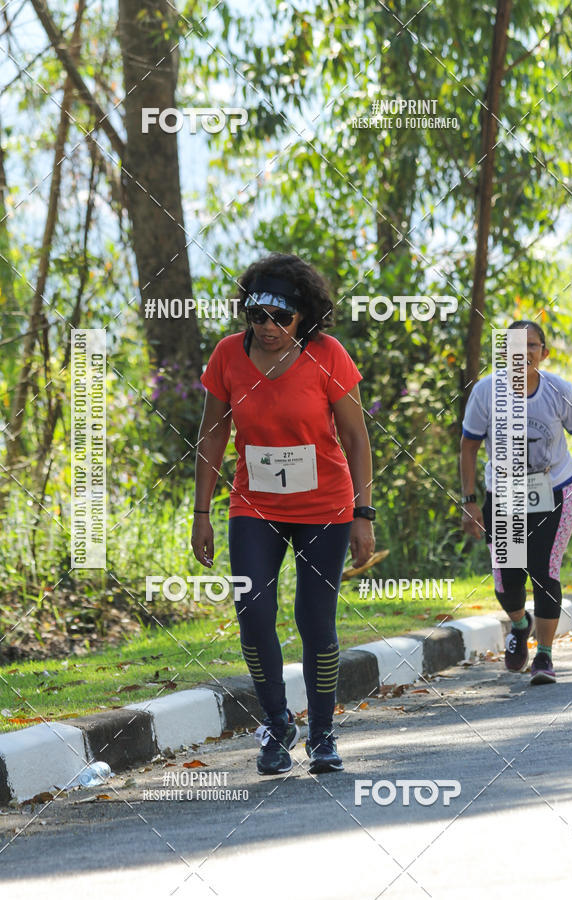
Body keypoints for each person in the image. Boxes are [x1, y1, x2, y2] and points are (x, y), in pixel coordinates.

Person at [191, 253, 375, 775]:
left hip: (325, 507)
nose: (267, 328)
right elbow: (212, 436)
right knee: (253, 616)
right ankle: (276, 726)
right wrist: (201, 512)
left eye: (281, 318)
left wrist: (364, 512)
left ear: (303, 315)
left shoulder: (327, 354)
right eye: (256, 316)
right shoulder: (228, 356)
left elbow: (357, 438)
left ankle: (322, 733)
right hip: (255, 505)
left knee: (315, 621)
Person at [460, 320, 572, 684]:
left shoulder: (558, 390)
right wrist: (470, 501)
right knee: (506, 582)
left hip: (556, 489)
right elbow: (470, 446)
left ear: (544, 353)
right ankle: (520, 626)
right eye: (514, 349)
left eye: (531, 347)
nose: (523, 356)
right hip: (504, 493)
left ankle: (545, 656)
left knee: (544, 571)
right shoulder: (486, 392)